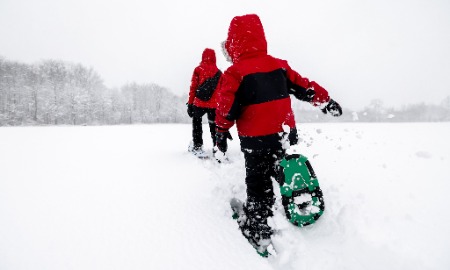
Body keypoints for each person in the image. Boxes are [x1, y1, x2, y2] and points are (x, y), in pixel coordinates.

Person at [214, 14, 342, 253]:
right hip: (283, 133)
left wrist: (221, 130)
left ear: (234, 44)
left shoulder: (235, 73)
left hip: (254, 139)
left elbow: (225, 109)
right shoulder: (280, 65)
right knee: (278, 165)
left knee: (258, 181)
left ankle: (259, 228)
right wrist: (325, 101)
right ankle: (296, 194)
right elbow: (304, 87)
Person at [187, 48, 222, 157]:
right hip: (214, 105)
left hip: (199, 103)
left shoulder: (198, 70)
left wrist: (190, 103)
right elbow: (222, 91)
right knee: (214, 126)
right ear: (214, 58)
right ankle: (217, 148)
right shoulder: (219, 73)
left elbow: (193, 88)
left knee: (197, 124)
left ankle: (197, 146)